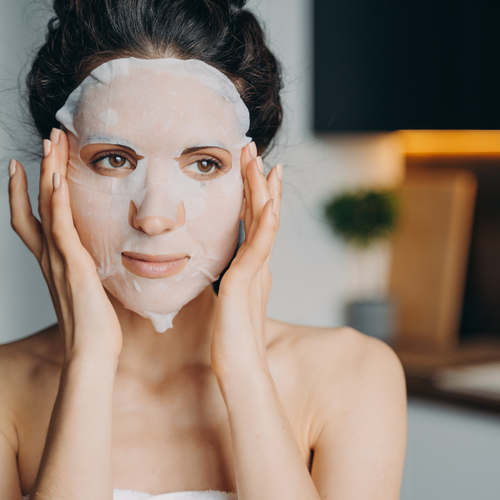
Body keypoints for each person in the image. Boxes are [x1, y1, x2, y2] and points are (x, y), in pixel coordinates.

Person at [1, 0, 407, 499]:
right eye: (112, 159)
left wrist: (244, 369)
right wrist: (89, 361)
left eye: (205, 165)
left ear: (250, 184)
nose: (153, 216)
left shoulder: (353, 374)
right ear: (54, 176)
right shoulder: (6, 393)